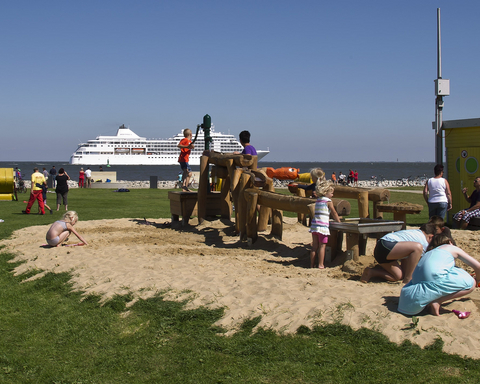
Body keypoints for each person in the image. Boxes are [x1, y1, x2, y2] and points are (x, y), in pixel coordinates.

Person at [398, 234, 480, 316]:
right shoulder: (451, 247)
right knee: (471, 283)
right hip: (435, 279)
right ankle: (437, 301)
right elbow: (478, 266)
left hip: (412, 292)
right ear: (450, 242)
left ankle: (430, 301)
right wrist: (478, 279)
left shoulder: (429, 253)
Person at [360, 223, 437, 284]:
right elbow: (422, 261)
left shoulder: (415, 233)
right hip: (386, 245)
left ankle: (371, 272)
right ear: (430, 237)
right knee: (417, 248)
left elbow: (408, 258)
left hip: (381, 248)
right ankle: (408, 279)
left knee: (398, 276)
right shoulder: (423, 241)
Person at [309, 181, 341, 268]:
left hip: (315, 226)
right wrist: (339, 222)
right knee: (322, 246)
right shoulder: (328, 201)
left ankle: (312, 264)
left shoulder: (318, 200)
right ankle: (321, 264)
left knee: (314, 247)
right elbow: (334, 212)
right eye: (331, 193)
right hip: (322, 227)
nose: (332, 195)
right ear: (326, 192)